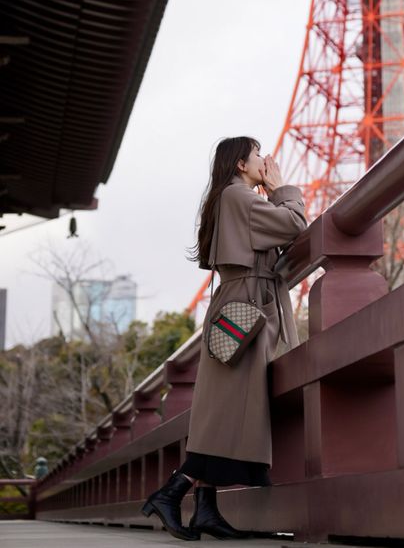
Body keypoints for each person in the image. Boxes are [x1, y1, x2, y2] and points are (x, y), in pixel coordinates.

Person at [142, 137, 307, 541]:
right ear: (239, 164)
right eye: (257, 156)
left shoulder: (229, 197)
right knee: (230, 408)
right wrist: (281, 187)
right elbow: (294, 226)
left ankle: (206, 511)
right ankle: (171, 491)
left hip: (239, 303)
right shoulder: (239, 197)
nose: (264, 161)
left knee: (227, 407)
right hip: (245, 308)